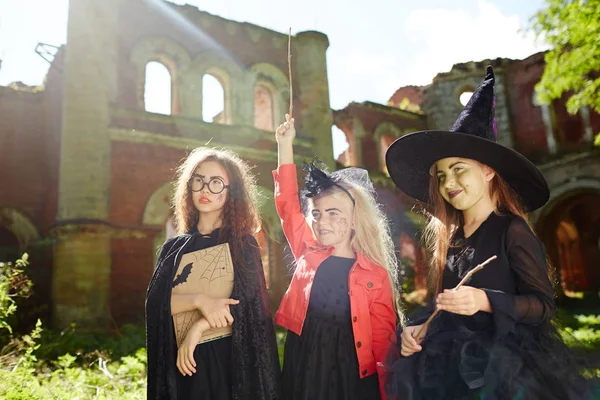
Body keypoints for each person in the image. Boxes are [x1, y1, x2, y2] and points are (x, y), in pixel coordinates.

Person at [383, 66, 597, 400]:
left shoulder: (512, 231)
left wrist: (485, 300)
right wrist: (417, 330)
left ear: (487, 171)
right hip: (450, 368)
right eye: (440, 176)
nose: (448, 184)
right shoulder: (449, 238)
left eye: (458, 170)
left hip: (508, 370)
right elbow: (440, 303)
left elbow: (542, 306)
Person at [274, 114, 401, 400]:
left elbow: (383, 339)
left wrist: (388, 390)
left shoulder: (374, 274)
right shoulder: (308, 250)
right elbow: (287, 206)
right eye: (317, 213)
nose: (322, 221)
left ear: (355, 220)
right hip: (304, 356)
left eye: (334, 213)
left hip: (350, 365)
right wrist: (285, 146)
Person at [145, 147, 281, 400]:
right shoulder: (173, 249)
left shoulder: (243, 244)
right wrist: (200, 301)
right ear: (189, 186)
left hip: (228, 361)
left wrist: (198, 328)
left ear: (231, 193)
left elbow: (248, 305)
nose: (206, 189)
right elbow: (155, 305)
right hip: (183, 364)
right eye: (199, 180)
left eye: (217, 183)